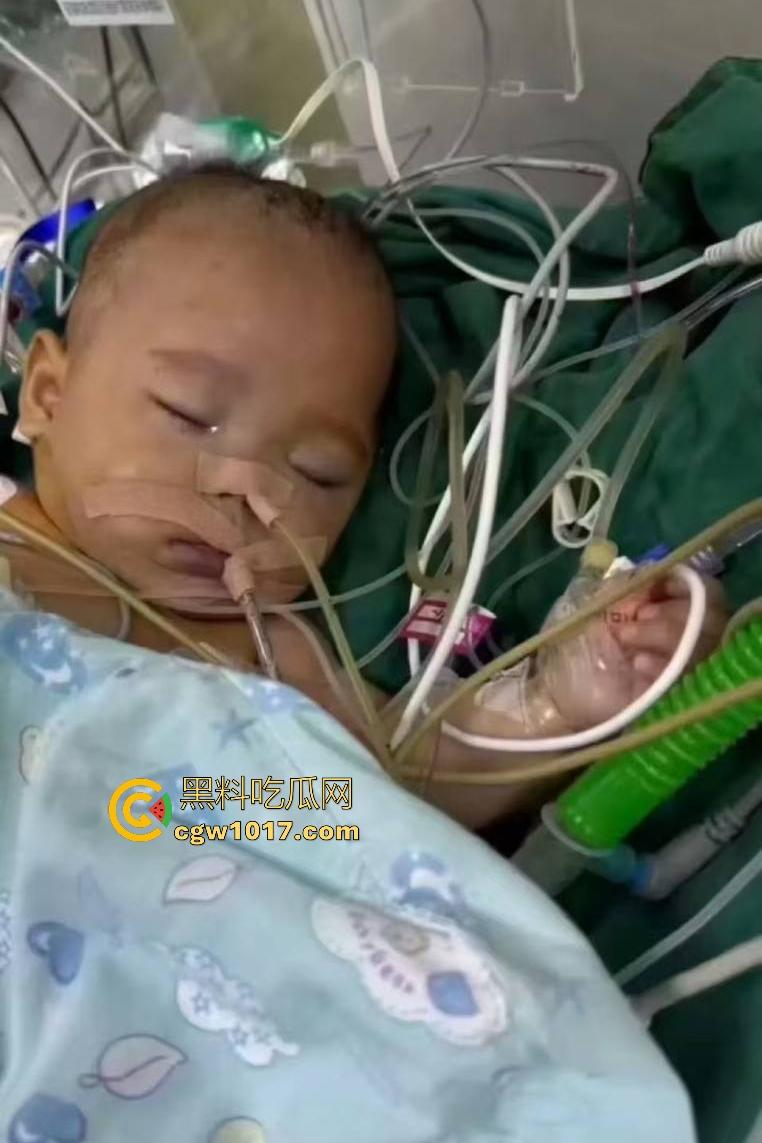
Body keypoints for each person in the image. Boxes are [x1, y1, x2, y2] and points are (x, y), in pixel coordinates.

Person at [0, 164, 726, 830]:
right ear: (46, 395)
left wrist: (554, 709)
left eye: (317, 472)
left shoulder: (268, 657)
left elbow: (374, 799)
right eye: (187, 412)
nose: (243, 488)